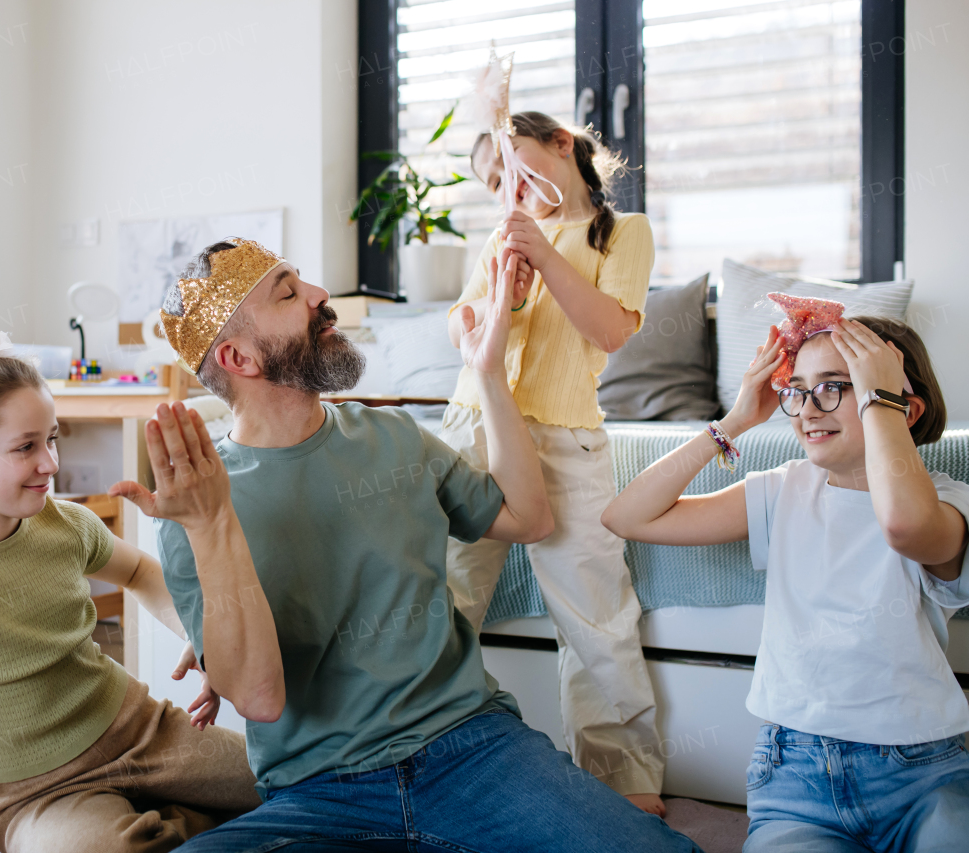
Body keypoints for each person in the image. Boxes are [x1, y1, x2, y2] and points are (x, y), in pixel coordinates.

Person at [117, 237, 700, 851]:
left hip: (472, 750)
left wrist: (487, 372)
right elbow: (259, 697)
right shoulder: (197, 501)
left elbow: (528, 519)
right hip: (319, 792)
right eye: (289, 293)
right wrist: (211, 527)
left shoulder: (395, 437)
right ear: (239, 358)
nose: (321, 297)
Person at [0, 252, 269, 853]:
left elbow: (137, 570)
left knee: (289, 782)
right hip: (42, 793)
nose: (51, 464)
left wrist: (195, 630)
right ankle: (164, 823)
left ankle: (164, 814)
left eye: (52, 440)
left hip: (146, 731)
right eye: (26, 447)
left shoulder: (63, 525)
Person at [601, 311, 969, 852]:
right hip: (796, 777)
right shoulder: (785, 489)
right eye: (796, 391)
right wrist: (732, 423)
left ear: (902, 407)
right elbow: (627, 517)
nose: (807, 410)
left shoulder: (947, 501)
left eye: (836, 388)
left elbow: (905, 526)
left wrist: (882, 402)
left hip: (924, 773)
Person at [442, 109, 665, 812]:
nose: (509, 189)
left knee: (594, 609)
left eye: (516, 168)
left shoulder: (622, 232)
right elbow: (463, 325)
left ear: (561, 143)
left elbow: (608, 328)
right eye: (495, 182)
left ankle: (621, 774)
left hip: (565, 436)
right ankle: (422, 749)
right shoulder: (503, 238)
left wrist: (543, 253)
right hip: (477, 425)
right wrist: (488, 309)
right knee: (445, 591)